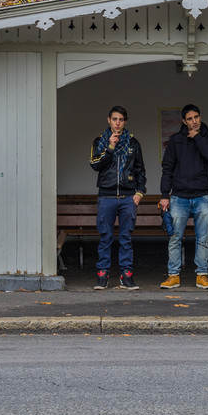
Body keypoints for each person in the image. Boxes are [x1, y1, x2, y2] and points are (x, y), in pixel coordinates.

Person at [158, 104, 208, 289]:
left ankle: (202, 275)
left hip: (202, 195)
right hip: (179, 196)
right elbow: (167, 168)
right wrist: (164, 195)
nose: (194, 121)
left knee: (203, 238)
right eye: (190, 118)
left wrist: (198, 137)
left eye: (197, 117)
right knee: (175, 237)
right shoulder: (176, 140)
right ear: (184, 121)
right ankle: (173, 275)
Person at [89, 105, 147, 290]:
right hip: (106, 196)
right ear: (108, 120)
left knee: (126, 238)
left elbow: (140, 170)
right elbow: (95, 165)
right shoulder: (99, 141)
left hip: (127, 197)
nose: (117, 123)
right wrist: (111, 147)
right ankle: (103, 275)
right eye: (114, 119)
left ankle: (126, 276)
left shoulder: (133, 142)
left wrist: (140, 192)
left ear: (125, 122)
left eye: (121, 120)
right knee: (105, 237)